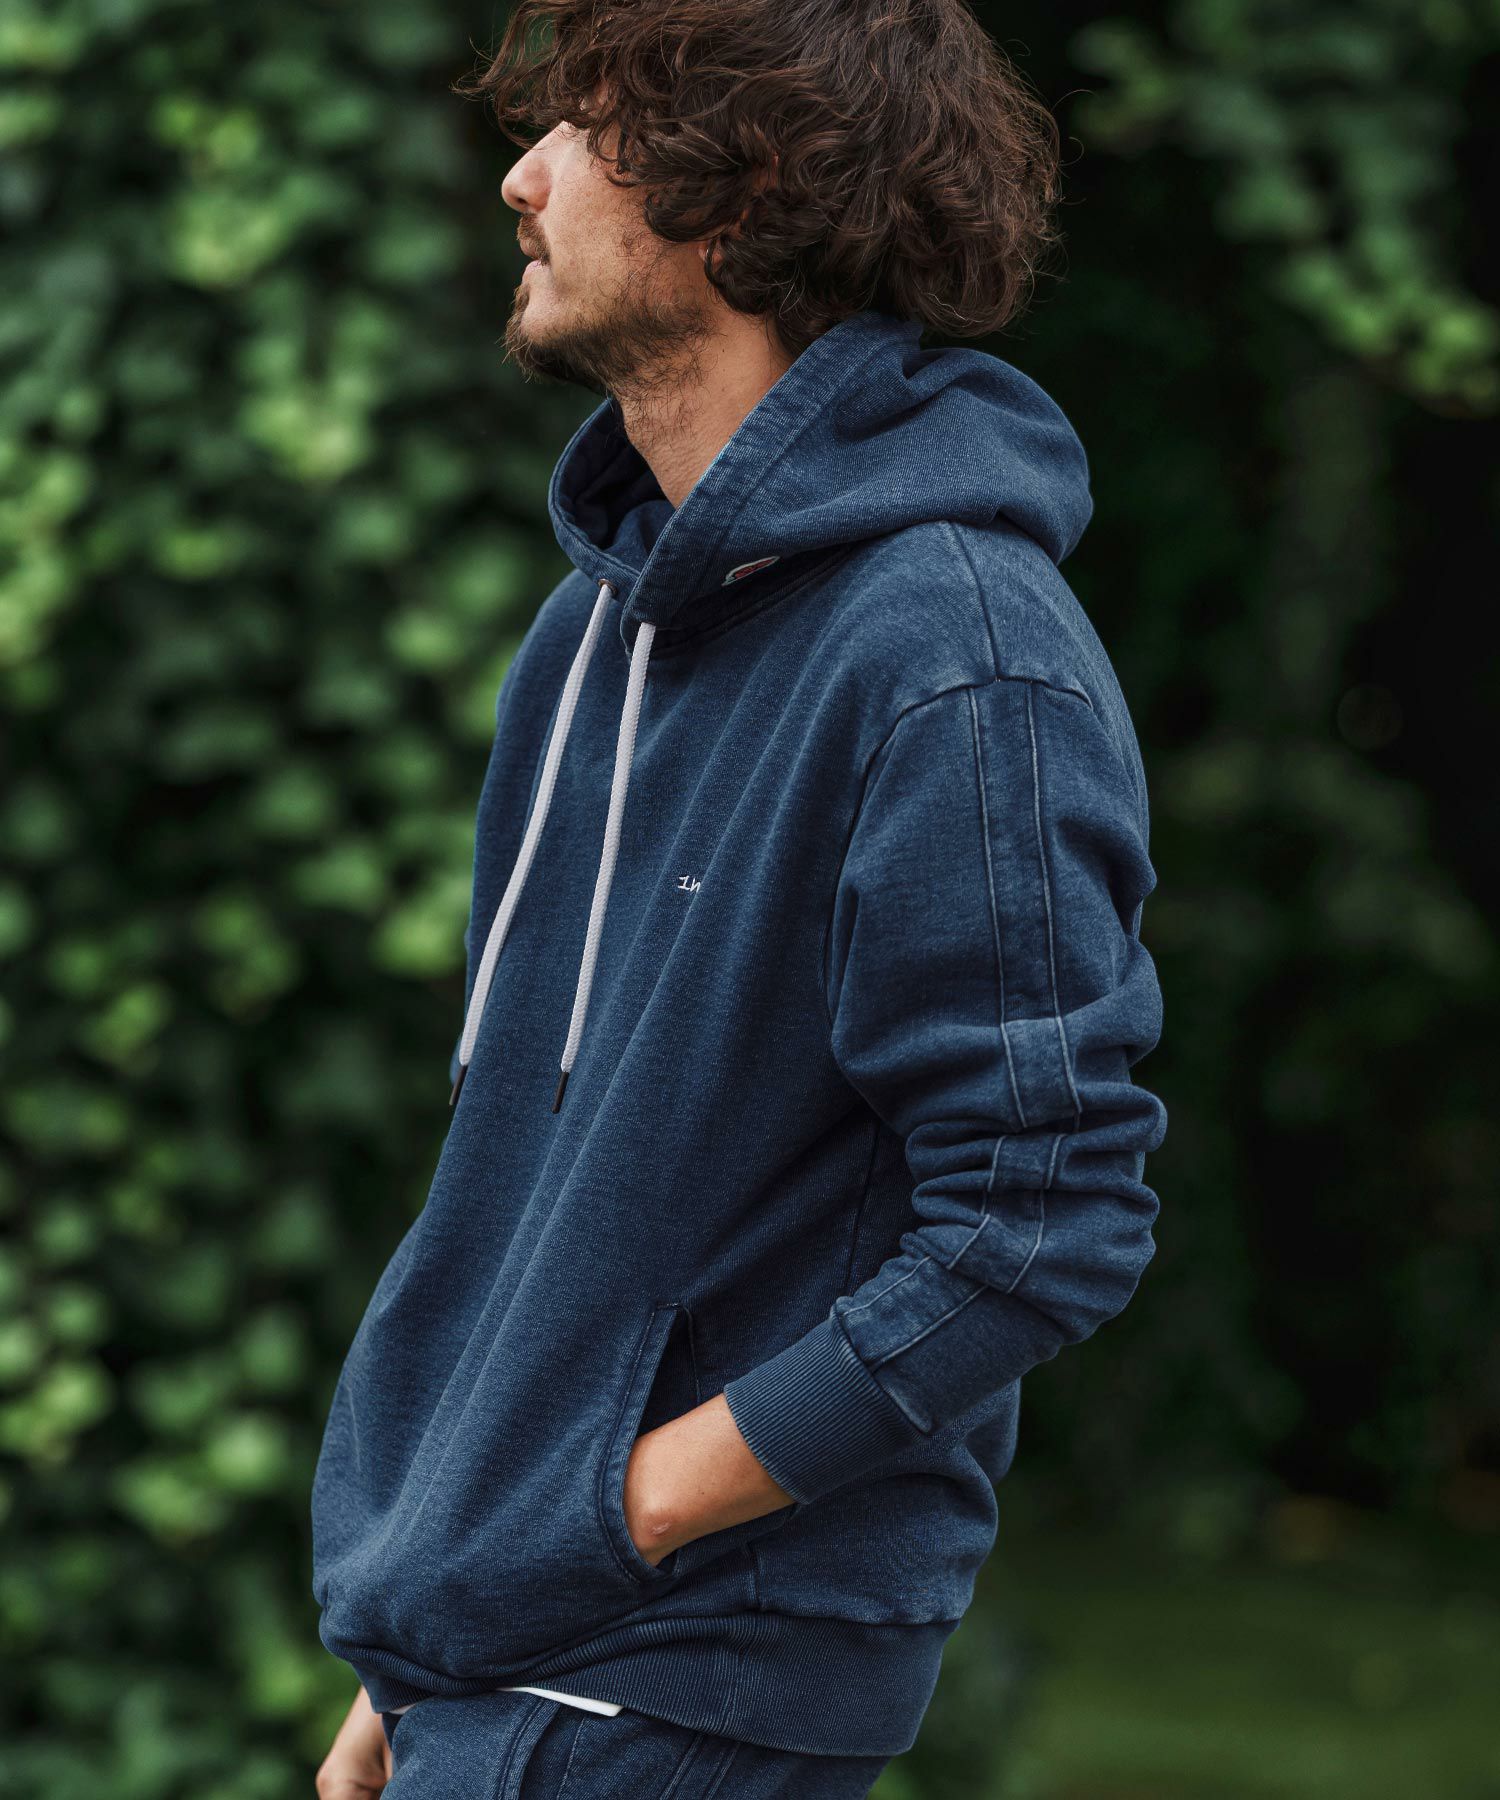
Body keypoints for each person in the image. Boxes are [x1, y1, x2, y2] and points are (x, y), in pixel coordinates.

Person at [311, 0, 1168, 1794]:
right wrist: (438, 1606)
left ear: (745, 188)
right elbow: (560, 1179)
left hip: (680, 1688)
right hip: (492, 1666)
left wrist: (605, 1513)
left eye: (586, 127)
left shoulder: (956, 655)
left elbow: (1040, 1217)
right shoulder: (589, 640)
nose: (520, 177)